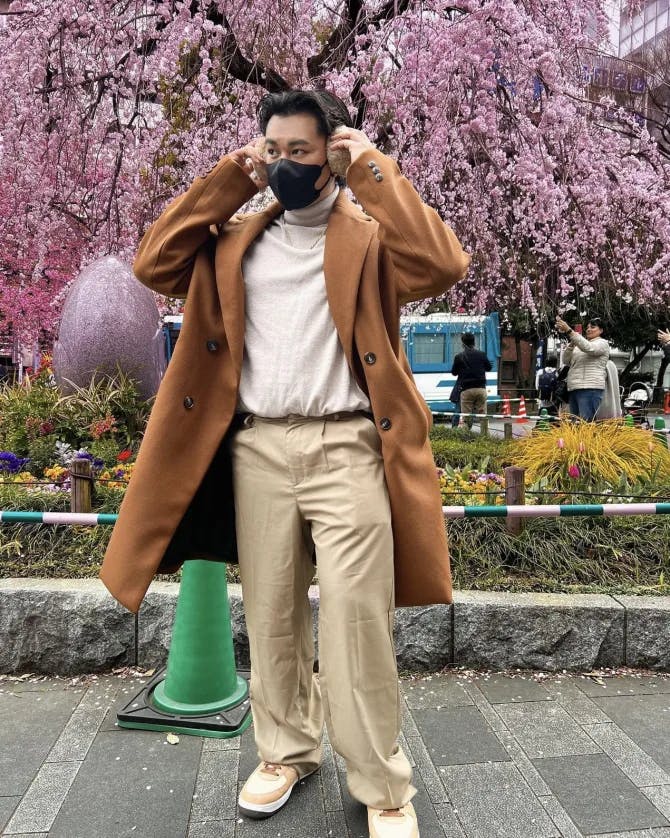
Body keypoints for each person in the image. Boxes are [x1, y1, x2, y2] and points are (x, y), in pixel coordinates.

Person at [99, 89, 470, 838]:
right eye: (274, 151)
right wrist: (231, 179)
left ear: (332, 150)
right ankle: (285, 752)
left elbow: (442, 263)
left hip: (348, 446)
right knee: (270, 613)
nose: (285, 165)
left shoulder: (367, 234)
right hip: (258, 446)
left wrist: (371, 168)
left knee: (357, 621)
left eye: (301, 152)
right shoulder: (237, 235)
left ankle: (383, 785)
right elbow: (153, 262)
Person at [555, 316, 610, 421]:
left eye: (593, 327)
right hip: (574, 387)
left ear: (601, 330)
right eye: (587, 327)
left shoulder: (602, 343)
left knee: (585, 423)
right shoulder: (580, 344)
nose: (588, 329)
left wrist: (570, 331)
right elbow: (566, 360)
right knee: (574, 423)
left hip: (590, 387)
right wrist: (571, 345)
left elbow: (589, 348)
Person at [450, 332, 491, 428]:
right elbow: (488, 367)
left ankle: (467, 438)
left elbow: (454, 372)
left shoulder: (459, 357)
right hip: (481, 389)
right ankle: (485, 436)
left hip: (466, 390)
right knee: (483, 416)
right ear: (474, 342)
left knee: (466, 418)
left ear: (463, 344)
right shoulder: (482, 354)